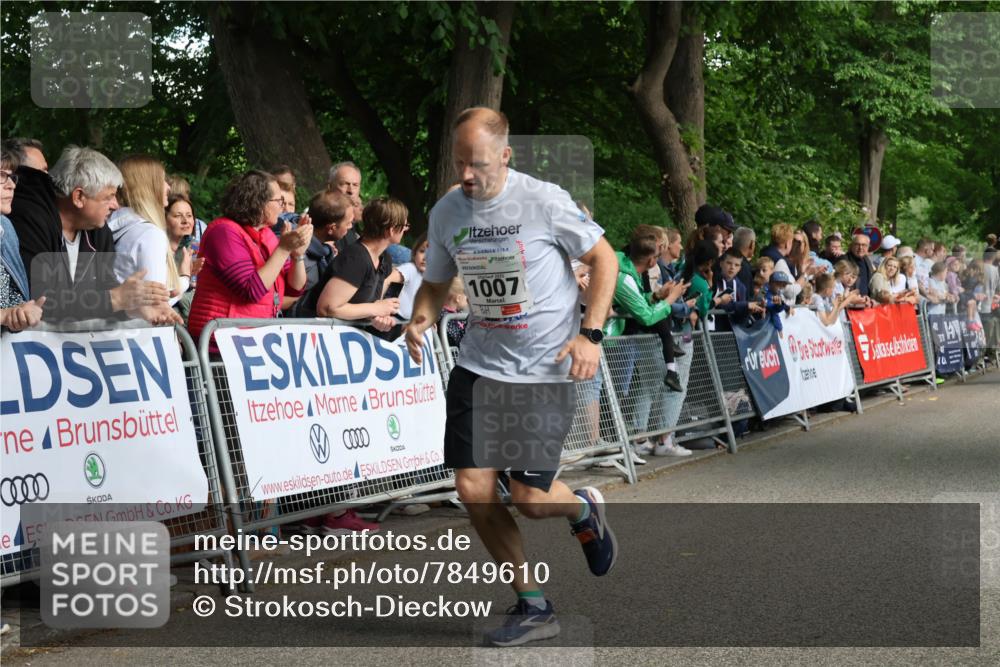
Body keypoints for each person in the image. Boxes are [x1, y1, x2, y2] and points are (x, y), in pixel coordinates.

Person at [403, 107, 619, 647]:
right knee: (473, 486)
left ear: (505, 155)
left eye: (477, 164)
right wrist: (422, 317)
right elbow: (435, 281)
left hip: (544, 370)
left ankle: (582, 508)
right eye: (459, 164)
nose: (467, 176)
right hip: (480, 365)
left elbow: (605, 260)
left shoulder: (543, 200)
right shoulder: (448, 210)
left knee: (527, 496)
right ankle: (533, 604)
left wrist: (590, 335)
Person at [10, 146, 176, 325]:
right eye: (109, 197)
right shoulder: (29, 220)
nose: (115, 205)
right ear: (79, 197)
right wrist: (114, 299)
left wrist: (133, 309)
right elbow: (41, 301)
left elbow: (103, 297)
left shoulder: (99, 231)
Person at [186, 170, 312, 345]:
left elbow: (294, 289)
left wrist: (298, 255)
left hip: (252, 341)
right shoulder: (223, 232)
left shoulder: (266, 234)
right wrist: (283, 249)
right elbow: (251, 290)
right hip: (221, 342)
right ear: (258, 202)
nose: (282, 207)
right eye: (278, 201)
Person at [311, 196, 405, 336]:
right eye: (405, 225)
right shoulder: (356, 258)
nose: (405, 230)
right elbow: (327, 308)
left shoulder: (384, 259)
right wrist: (374, 309)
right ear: (391, 230)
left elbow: (365, 307)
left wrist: (380, 319)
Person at [607, 230, 688, 391]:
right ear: (652, 261)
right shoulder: (625, 279)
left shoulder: (624, 265)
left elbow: (639, 299)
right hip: (602, 339)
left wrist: (658, 295)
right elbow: (648, 316)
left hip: (607, 339)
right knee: (606, 395)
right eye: (658, 256)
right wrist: (671, 298)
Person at [108, 155, 190, 307]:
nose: (168, 187)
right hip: (143, 330)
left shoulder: (112, 227)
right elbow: (155, 308)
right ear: (148, 186)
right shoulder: (149, 235)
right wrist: (185, 278)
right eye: (162, 180)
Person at [289, 189, 355, 316]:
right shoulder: (294, 250)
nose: (351, 227)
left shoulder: (325, 252)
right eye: (348, 223)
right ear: (331, 228)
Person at [1, 145, 45, 330]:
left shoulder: (5, 227)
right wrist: (3, 315)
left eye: (11, 176)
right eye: (1, 176)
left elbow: (12, 296)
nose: (11, 185)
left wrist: (20, 312)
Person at [397, 233, 428, 321]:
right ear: (414, 254)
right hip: (394, 319)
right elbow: (386, 281)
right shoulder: (410, 268)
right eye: (422, 251)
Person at [846, 233, 876, 298]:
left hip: (866, 301)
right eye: (857, 244)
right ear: (851, 246)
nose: (860, 248)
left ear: (868, 247)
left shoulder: (867, 260)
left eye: (864, 245)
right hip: (851, 302)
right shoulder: (845, 260)